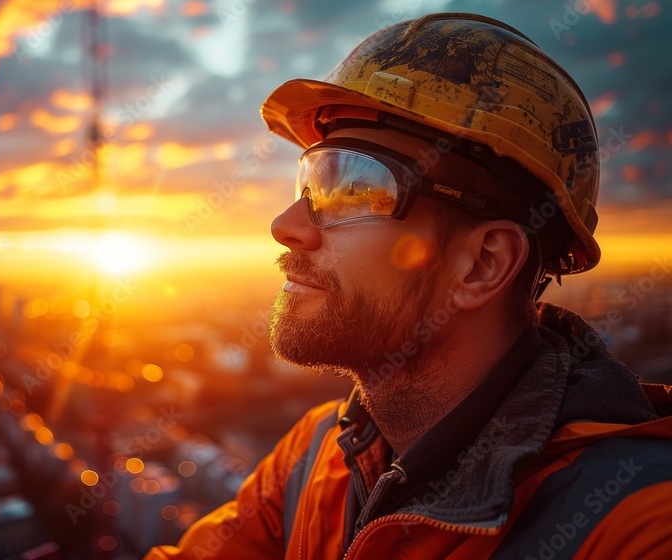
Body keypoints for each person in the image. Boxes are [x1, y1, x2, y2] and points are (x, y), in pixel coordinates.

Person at [146, 12, 672, 560]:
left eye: (355, 188)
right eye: (311, 182)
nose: (287, 226)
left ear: (484, 264)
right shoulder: (315, 456)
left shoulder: (635, 525)